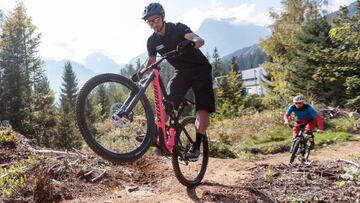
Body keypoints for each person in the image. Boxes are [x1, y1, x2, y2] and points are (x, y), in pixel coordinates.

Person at [141, 3, 215, 160]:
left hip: (200, 69)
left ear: (163, 17)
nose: (154, 24)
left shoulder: (178, 28)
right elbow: (151, 62)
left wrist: (190, 42)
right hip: (182, 72)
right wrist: (140, 74)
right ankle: (155, 135)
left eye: (156, 19)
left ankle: (196, 147)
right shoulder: (152, 41)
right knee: (166, 104)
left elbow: (199, 40)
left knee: (202, 108)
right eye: (150, 22)